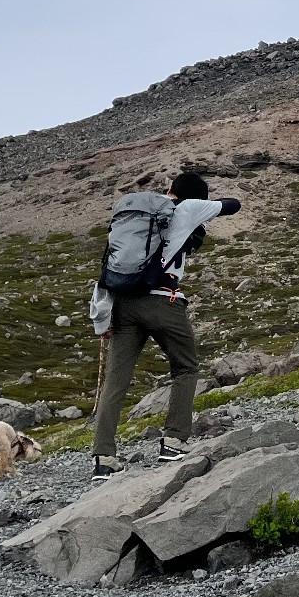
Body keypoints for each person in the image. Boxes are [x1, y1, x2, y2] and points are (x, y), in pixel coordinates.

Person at [89, 171, 239, 482]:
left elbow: (113, 262)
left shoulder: (133, 217)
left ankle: (104, 458)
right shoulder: (186, 209)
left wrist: (102, 317)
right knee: (185, 367)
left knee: (116, 380)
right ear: (194, 196)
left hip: (122, 303)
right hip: (162, 302)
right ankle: (173, 440)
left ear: (169, 188)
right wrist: (209, 205)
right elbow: (232, 205)